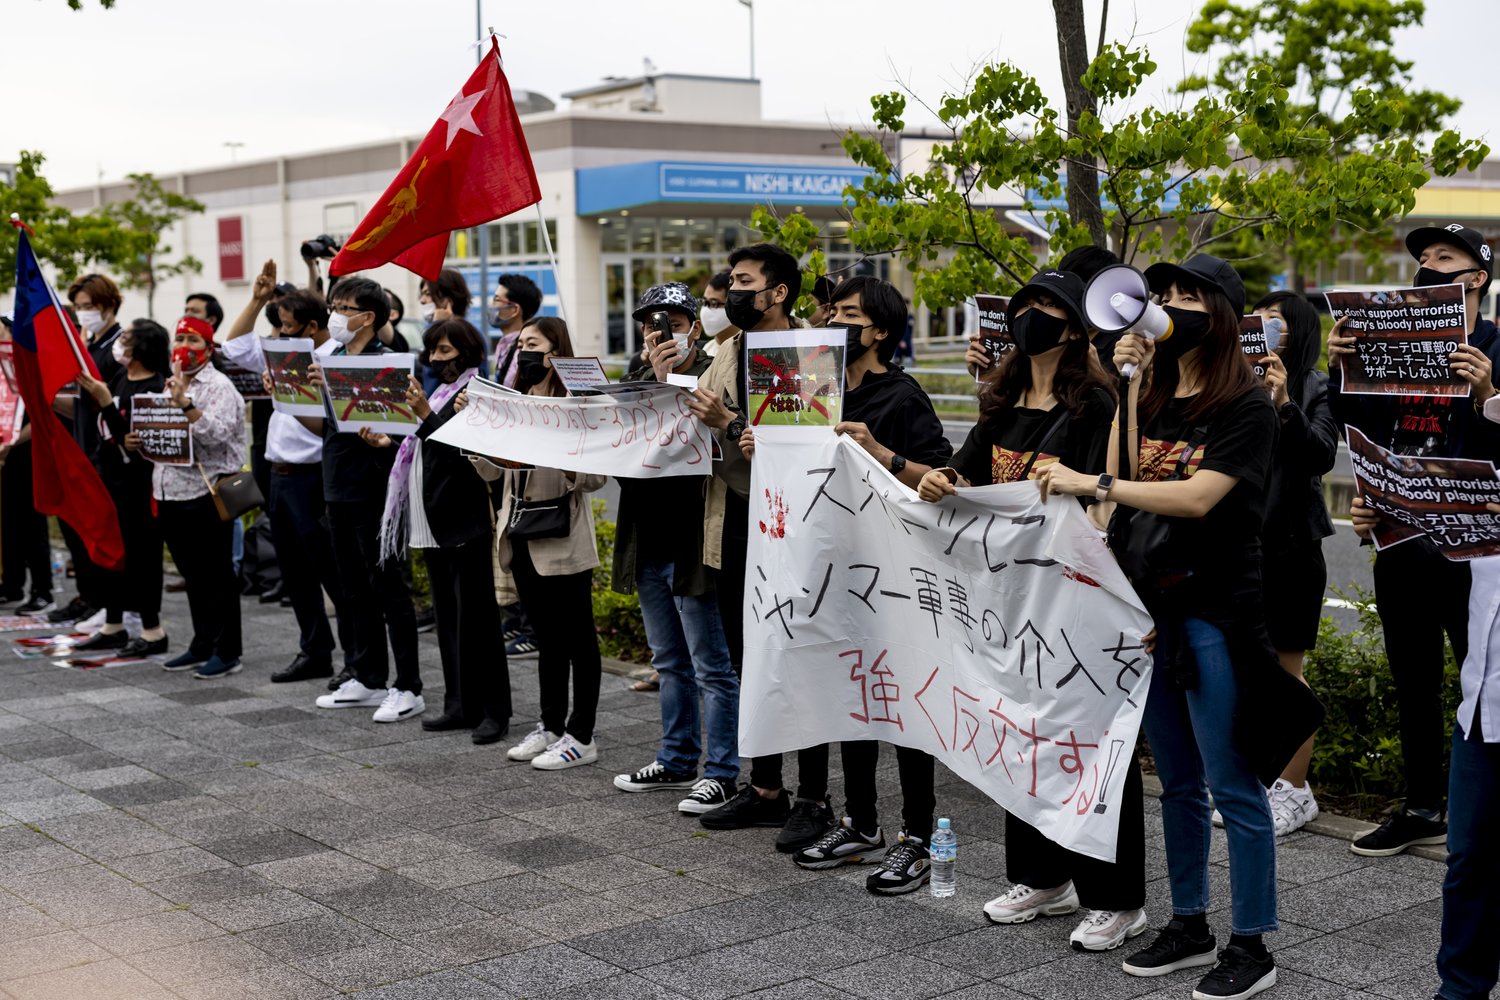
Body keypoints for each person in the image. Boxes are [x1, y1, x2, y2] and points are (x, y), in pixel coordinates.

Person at [1035, 255, 1281, 998]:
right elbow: (1127, 468)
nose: (1168, 306)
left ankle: (1252, 942)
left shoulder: (1247, 408)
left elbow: (1197, 498)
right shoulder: (1161, 393)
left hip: (1219, 612)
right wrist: (1130, 385)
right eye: (1164, 293)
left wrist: (1092, 484)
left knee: (1232, 785)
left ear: (1223, 314)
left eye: (1186, 297)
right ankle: (1189, 922)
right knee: (1176, 781)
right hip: (1158, 614)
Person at [919, 271, 1145, 945]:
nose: (1032, 318)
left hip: (1076, 599)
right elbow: (968, 475)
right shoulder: (1001, 397)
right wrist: (942, 480)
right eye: (1025, 307)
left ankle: (1118, 897)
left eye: (1048, 309)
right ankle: (1045, 878)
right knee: (1020, 729)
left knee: (1092, 741)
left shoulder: (1095, 404)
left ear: (1075, 326)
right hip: (1011, 601)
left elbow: (1105, 495)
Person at [739, 275, 949, 893]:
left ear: (880, 331)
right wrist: (763, 444)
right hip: (828, 571)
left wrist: (878, 450)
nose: (837, 324)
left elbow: (937, 479)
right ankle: (861, 822)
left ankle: (916, 837)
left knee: (902, 705)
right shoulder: (811, 389)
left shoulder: (903, 396)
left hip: (890, 576)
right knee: (851, 695)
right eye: (833, 313)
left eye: (851, 316)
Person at [1330, 222, 1500, 857]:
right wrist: (1340, 365)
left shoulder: (1494, 349)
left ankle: (1479, 810)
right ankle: (1424, 805)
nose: (1427, 267)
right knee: (1413, 681)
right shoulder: (1395, 346)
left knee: (1482, 683)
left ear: (1476, 277)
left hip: (1477, 551)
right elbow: (1360, 430)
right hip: (1401, 540)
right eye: (1422, 259)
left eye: (1444, 258)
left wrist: (1488, 393)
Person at [687, 243, 826, 845]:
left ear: (779, 293)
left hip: (792, 532)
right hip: (733, 523)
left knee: (801, 661)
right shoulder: (727, 352)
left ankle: (816, 798)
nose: (733, 293)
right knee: (750, 661)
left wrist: (731, 424)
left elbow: (811, 446)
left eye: (745, 282)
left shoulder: (809, 352)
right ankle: (766, 787)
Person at [611, 282, 741, 815]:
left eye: (673, 320)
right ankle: (676, 755)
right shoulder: (633, 382)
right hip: (648, 538)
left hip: (694, 542)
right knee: (669, 660)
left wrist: (673, 383)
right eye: (650, 323)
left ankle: (722, 771)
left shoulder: (715, 375)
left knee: (712, 663)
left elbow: (722, 438)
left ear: (692, 324)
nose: (660, 332)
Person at [364, 317, 510, 738]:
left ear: (468, 352)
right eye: (433, 351)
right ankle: (458, 704)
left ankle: (493, 712)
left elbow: (461, 454)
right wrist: (388, 446)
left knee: (478, 621)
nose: (436, 359)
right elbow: (426, 450)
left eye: (445, 351)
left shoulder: (479, 392)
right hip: (433, 522)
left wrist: (425, 414)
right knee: (448, 618)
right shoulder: (443, 391)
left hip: (466, 521)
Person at [472, 316, 605, 768]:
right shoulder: (517, 402)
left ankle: (581, 735)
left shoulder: (576, 406)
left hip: (562, 538)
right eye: (520, 344)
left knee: (578, 638)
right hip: (520, 535)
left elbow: (595, 477)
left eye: (532, 344)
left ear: (554, 353)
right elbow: (496, 474)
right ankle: (550, 725)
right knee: (547, 637)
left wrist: (562, 455)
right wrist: (478, 442)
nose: (522, 351)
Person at [220, 261, 354, 686]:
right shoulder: (284, 349)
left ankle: (357, 659)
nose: (279, 334)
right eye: (278, 326)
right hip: (279, 473)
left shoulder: (335, 357)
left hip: (316, 474)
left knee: (333, 571)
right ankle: (314, 650)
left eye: (288, 326)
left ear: (312, 325)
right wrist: (258, 299)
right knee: (295, 570)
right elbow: (235, 345)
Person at [296, 277, 424, 721]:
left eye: (343, 306)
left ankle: (408, 685)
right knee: (351, 589)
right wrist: (300, 393)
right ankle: (366, 675)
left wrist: (380, 439)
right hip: (337, 484)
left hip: (377, 489)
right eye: (333, 305)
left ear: (368, 317)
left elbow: (403, 431)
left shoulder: (387, 363)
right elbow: (327, 427)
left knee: (389, 587)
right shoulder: (328, 358)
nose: (336, 314)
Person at [1239, 291, 1338, 836]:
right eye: (1261, 319)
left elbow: (1321, 454)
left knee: (1287, 672)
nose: (1267, 328)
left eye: (1277, 321)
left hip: (1293, 546)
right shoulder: (1234, 384)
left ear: (1298, 331)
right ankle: (1259, 780)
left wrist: (1282, 402)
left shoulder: (1315, 386)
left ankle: (1296, 791)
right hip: (1241, 545)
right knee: (1248, 672)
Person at [148, 316, 247, 678]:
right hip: (169, 491)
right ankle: (202, 643)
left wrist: (186, 405)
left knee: (217, 575)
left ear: (208, 347)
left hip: (206, 492)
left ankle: (228, 650)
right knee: (192, 575)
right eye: (180, 338)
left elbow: (217, 435)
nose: (184, 346)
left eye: (192, 339)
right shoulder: (171, 382)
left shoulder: (220, 386)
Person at [70, 320, 172, 658]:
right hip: (110, 482)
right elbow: (112, 435)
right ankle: (113, 625)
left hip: (139, 489)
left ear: (141, 348)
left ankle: (152, 631)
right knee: (112, 554)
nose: (119, 344)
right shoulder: (119, 379)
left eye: (126, 340)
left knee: (143, 559)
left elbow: (137, 447)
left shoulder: (156, 388)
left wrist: (107, 405)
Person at [50, 273, 127, 624]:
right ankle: (96, 599)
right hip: (84, 449)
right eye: (79, 308)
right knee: (86, 534)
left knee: (107, 534)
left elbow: (108, 402)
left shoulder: (118, 346)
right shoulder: (88, 343)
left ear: (108, 305)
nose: (83, 314)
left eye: (90, 307)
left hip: (108, 453)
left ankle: (115, 606)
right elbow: (79, 405)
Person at [0, 316, 56, 616]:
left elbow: (41, 419)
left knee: (31, 525)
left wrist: (9, 443)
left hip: (26, 455)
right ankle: (11, 585)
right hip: (4, 459)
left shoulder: (30, 368)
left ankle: (42, 590)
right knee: (7, 524)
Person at [417, 269, 472, 394]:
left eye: (428, 294)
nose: (422, 300)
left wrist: (437, 325)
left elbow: (433, 372)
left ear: (448, 300)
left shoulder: (467, 334)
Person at [488, 273, 542, 388]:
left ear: (514, 309)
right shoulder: (505, 345)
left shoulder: (524, 351)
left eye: (496, 300)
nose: (491, 305)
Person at [700, 269, 736, 359]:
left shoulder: (748, 351)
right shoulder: (704, 350)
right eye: (704, 302)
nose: (706, 310)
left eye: (714, 303)